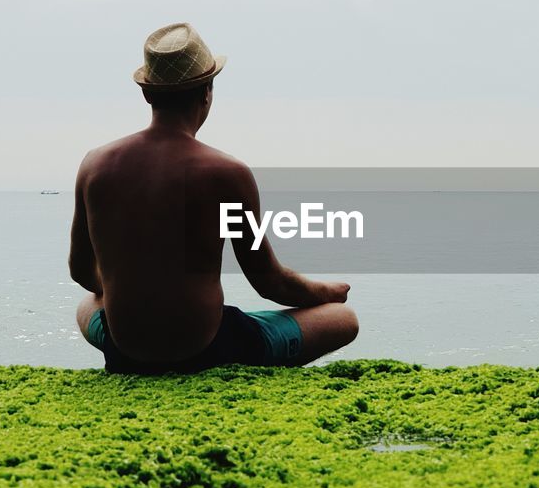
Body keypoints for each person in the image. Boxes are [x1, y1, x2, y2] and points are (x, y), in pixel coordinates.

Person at [68, 22, 358, 374]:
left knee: (89, 304)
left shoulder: (95, 164)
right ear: (207, 91)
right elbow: (269, 281)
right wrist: (327, 292)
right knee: (343, 319)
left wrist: (135, 292)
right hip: (206, 349)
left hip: (126, 351)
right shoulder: (227, 172)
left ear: (147, 93)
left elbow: (82, 271)